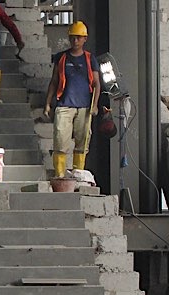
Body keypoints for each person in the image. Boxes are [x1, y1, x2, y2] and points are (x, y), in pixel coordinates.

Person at [44, 21, 101, 178]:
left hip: (84, 107)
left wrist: (94, 105)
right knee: (60, 142)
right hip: (64, 105)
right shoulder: (61, 58)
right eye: (72, 38)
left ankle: (78, 175)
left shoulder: (90, 59)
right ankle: (60, 176)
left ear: (84, 39)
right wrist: (48, 103)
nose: (75, 41)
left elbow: (96, 83)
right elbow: (54, 81)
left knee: (82, 144)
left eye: (78, 38)